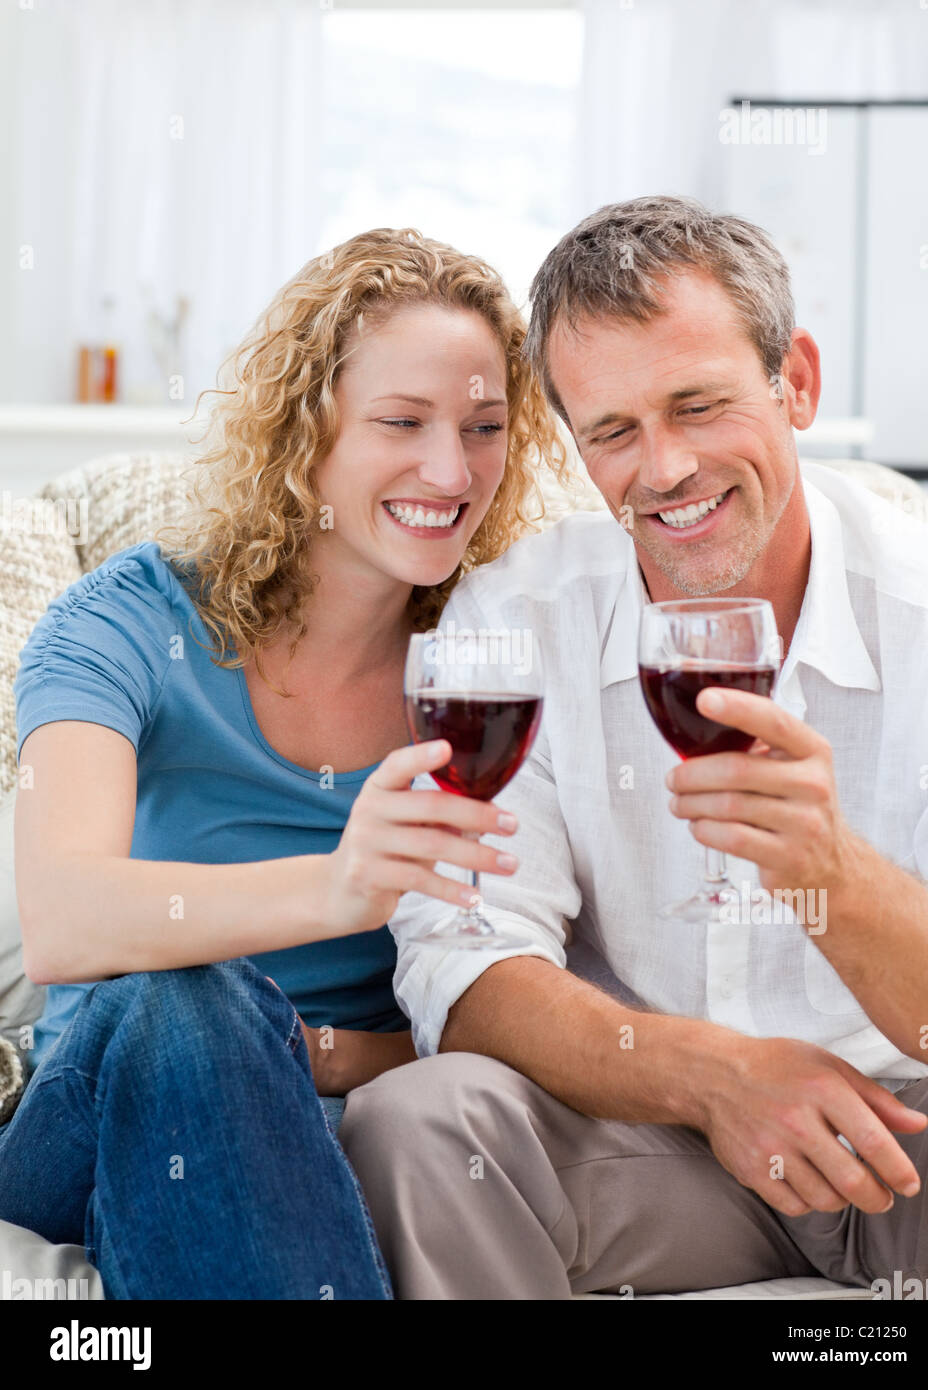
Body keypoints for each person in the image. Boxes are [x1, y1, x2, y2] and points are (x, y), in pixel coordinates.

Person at [337, 195, 928, 1300]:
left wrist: (831, 876)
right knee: (419, 1120)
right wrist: (718, 1080)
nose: (664, 468)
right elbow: (466, 963)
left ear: (795, 381)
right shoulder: (513, 623)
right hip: (666, 1145)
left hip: (924, 1138)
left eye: (699, 404)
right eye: (615, 432)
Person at [0, 227, 568, 1299]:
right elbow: (69, 920)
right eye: (401, 423)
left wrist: (334, 1057)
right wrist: (340, 885)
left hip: (350, 1133)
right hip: (106, 1104)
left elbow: (554, 984)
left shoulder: (492, 669)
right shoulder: (127, 624)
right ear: (305, 432)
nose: (451, 472)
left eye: (485, 427)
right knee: (188, 996)